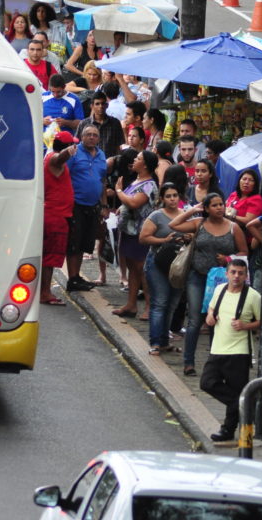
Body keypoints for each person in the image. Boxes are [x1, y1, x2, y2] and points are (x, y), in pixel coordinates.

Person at [169, 193, 248, 377]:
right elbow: (174, 225)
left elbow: (244, 252)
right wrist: (193, 211)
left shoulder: (233, 228)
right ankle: (189, 362)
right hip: (197, 277)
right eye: (214, 205)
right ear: (206, 208)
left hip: (222, 281)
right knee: (195, 319)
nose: (220, 208)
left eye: (221, 204)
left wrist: (228, 259)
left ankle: (214, 364)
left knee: (216, 321)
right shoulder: (199, 224)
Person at [201, 258, 261, 442]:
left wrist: (245, 325)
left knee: (236, 387)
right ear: (226, 273)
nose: (236, 276)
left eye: (240, 273)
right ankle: (244, 404)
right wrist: (210, 317)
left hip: (239, 351)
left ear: (246, 275)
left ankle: (228, 429)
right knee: (207, 382)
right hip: (217, 347)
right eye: (233, 272)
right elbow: (211, 310)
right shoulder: (219, 290)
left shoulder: (253, 296)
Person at [140, 181, 189, 355]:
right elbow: (144, 238)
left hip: (177, 266)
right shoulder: (156, 216)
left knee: (172, 304)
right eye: (168, 196)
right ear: (162, 198)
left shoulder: (185, 215)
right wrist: (164, 240)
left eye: (175, 195)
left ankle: (164, 342)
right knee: (159, 303)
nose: (172, 199)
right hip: (157, 263)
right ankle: (155, 343)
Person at [112, 150, 159, 318]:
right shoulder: (137, 180)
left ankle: (148, 306)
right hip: (128, 230)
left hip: (140, 232)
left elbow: (133, 202)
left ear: (145, 164)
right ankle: (131, 305)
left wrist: (118, 191)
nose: (134, 160)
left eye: (138, 158)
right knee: (133, 267)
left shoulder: (149, 184)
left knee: (142, 268)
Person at [65, 125, 107, 292]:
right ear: (82, 137)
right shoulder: (74, 152)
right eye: (88, 134)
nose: (91, 137)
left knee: (85, 243)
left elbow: (103, 180)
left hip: (93, 205)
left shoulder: (101, 154)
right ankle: (72, 278)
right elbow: (64, 174)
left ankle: (76, 277)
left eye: (95, 135)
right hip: (76, 203)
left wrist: (104, 205)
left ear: (98, 138)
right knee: (74, 243)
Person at [40, 131, 78, 306]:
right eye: (72, 144)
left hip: (55, 215)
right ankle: (45, 293)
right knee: (50, 258)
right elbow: (59, 159)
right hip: (56, 216)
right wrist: (67, 153)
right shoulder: (54, 160)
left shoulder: (49, 158)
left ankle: (43, 291)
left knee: (48, 257)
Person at [76, 90, 125, 158]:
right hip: (88, 162)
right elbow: (77, 144)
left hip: (109, 162)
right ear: (92, 106)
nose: (100, 106)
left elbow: (120, 145)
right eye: (97, 104)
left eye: (103, 103)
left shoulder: (115, 123)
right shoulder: (84, 124)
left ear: (107, 105)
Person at [225, 169, 262, 239]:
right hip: (226, 231)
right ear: (239, 181)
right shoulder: (234, 194)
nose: (246, 182)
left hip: (243, 235)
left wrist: (231, 215)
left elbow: (249, 221)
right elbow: (224, 208)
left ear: (255, 184)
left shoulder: (256, 199)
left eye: (250, 180)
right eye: (244, 179)